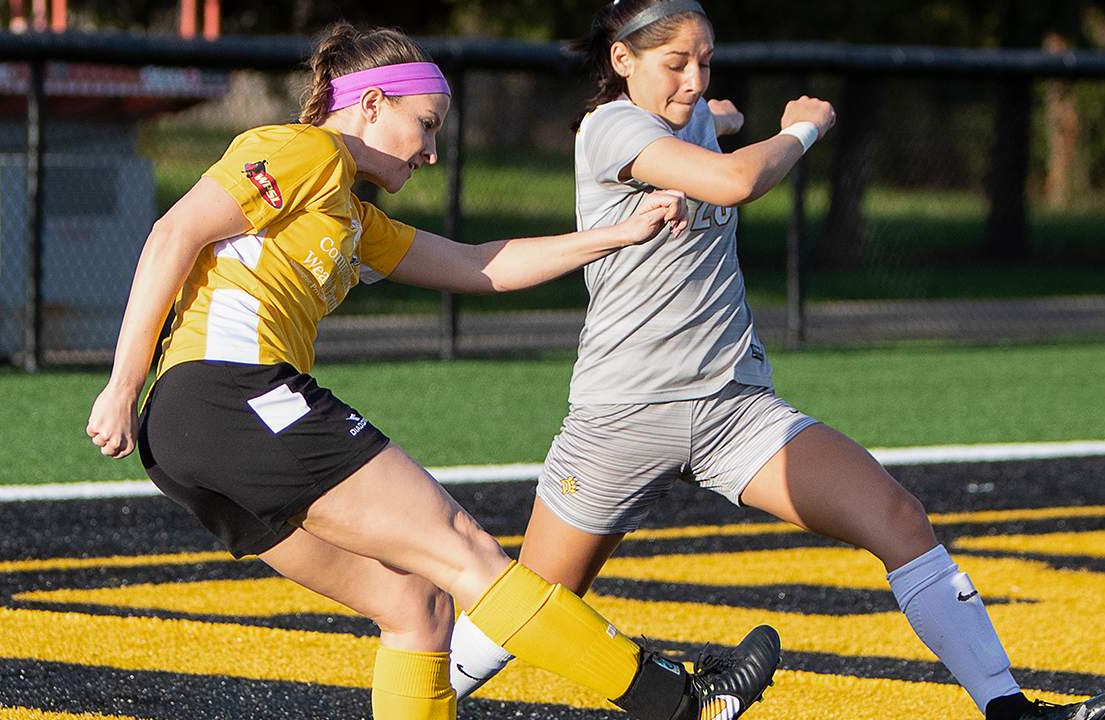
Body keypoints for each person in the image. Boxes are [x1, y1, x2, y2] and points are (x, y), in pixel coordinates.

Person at [445, 3, 1105, 720]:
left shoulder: (689, 115)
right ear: (622, 61)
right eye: (675, 62)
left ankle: (1011, 709)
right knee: (531, 601)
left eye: (704, 61)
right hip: (623, 414)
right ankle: (409, 705)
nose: (692, 77)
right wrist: (803, 125)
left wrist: (720, 113)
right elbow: (737, 182)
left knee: (898, 518)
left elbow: (713, 123)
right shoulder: (613, 125)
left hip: (733, 407)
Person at [86, 22, 782, 720]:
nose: (432, 150)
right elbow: (174, 231)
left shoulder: (351, 216)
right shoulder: (308, 150)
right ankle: (683, 704)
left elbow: (479, 267)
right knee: (466, 550)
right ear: (371, 105)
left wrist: (618, 234)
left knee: (415, 607)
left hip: (194, 432)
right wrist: (122, 383)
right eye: (425, 124)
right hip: (231, 395)